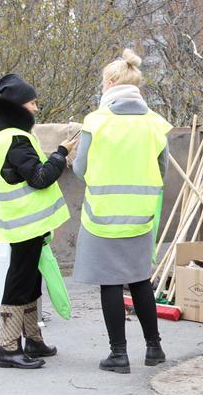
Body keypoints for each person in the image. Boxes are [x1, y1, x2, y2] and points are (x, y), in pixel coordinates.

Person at [72, 49, 172, 373]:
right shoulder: (155, 124)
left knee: (111, 284)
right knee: (141, 280)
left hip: (102, 215)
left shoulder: (96, 122)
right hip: (141, 216)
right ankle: (154, 348)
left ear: (112, 83)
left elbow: (80, 168)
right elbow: (163, 170)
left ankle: (119, 354)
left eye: (103, 81)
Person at [0, 73, 75, 369]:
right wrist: (61, 153)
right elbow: (40, 177)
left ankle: (33, 339)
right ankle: (9, 348)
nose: (36, 108)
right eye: (32, 103)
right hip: (24, 223)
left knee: (31, 279)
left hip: (22, 222)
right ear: (19, 106)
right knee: (19, 283)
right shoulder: (15, 138)